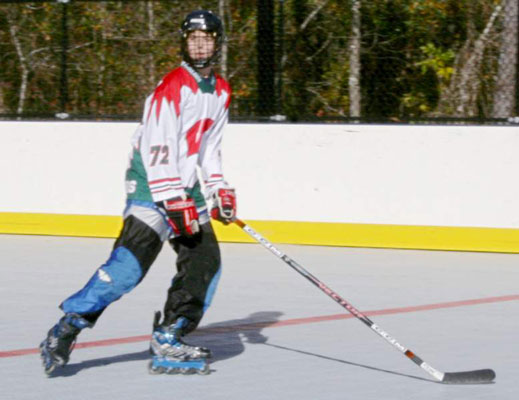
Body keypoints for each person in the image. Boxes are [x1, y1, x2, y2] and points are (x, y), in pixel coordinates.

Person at [40, 9, 236, 376]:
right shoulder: (172, 86)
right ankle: (69, 324)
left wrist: (219, 188)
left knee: (205, 264)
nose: (199, 44)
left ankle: (170, 335)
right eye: (193, 38)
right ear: (183, 42)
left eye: (206, 38)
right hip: (151, 184)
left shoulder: (220, 91)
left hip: (186, 188)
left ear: (217, 43)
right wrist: (169, 195)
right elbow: (156, 143)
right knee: (128, 270)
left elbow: (210, 148)